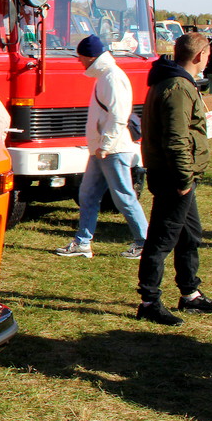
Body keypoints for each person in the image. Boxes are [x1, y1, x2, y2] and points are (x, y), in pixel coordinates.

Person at [134, 31, 212, 325]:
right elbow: (175, 139)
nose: (209, 60)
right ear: (199, 55)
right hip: (175, 176)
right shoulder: (177, 86)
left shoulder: (177, 83)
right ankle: (149, 301)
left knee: (190, 235)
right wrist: (184, 180)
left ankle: (190, 295)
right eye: (209, 55)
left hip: (179, 175)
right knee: (162, 239)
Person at [55, 35, 148, 259]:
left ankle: (145, 242)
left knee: (123, 197)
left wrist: (105, 145)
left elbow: (118, 115)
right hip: (103, 149)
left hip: (112, 149)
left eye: (80, 58)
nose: (79, 62)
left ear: (89, 57)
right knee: (88, 194)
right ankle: (83, 242)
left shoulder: (111, 77)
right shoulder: (106, 75)